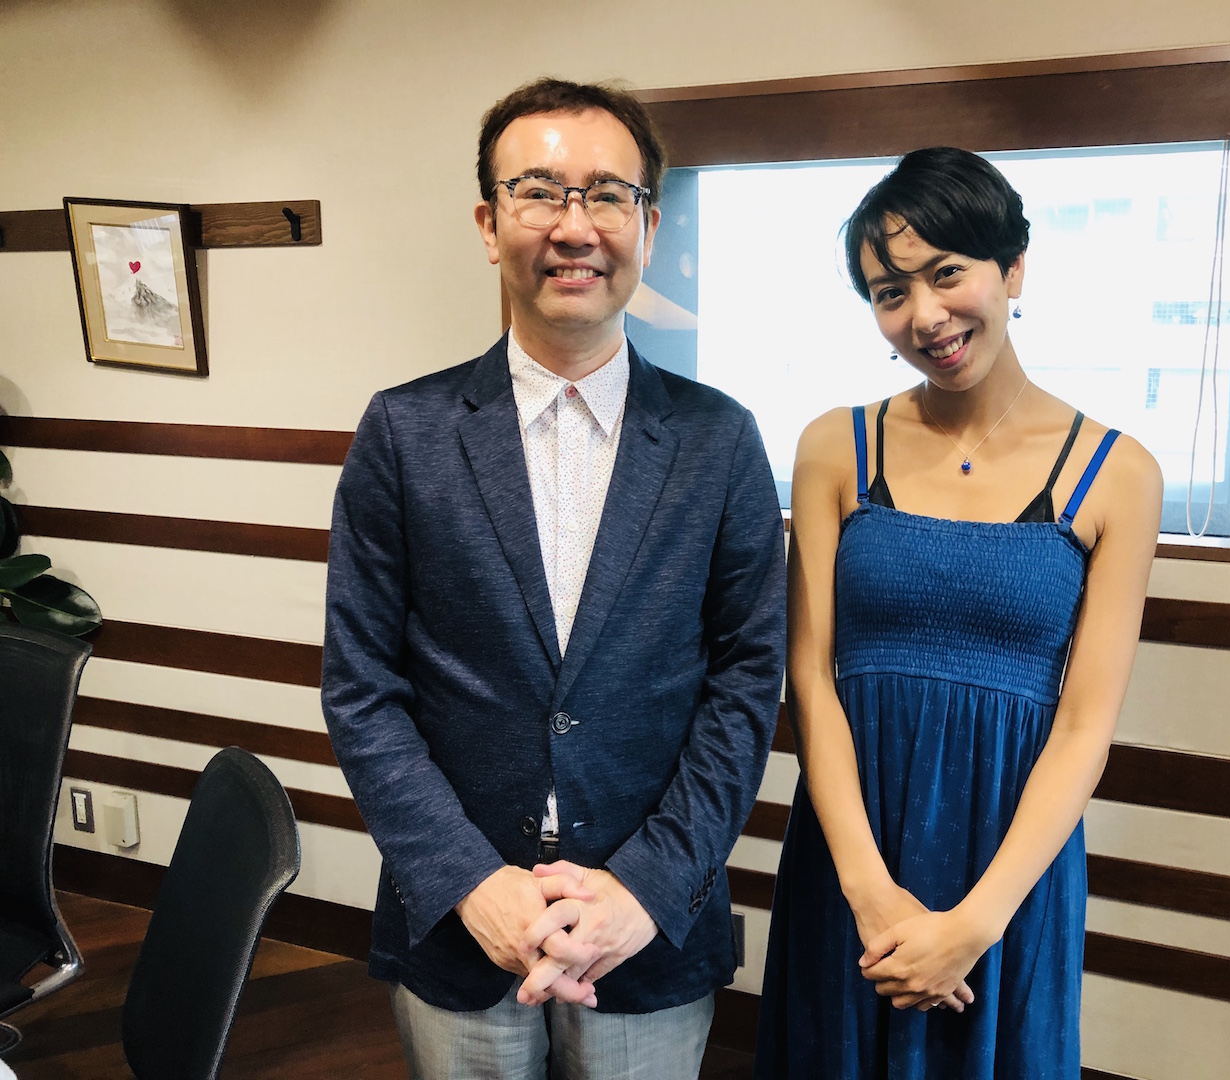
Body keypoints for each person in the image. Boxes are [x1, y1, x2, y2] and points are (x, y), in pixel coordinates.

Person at [322, 78, 786, 1080]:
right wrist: (468, 881)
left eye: (608, 195)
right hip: (462, 922)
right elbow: (362, 688)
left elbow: (747, 685)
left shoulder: (719, 440)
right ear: (489, 225)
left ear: (647, 226)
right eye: (539, 193)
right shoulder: (404, 433)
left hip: (645, 926)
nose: (576, 227)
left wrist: (647, 886)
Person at [754, 147, 1162, 1079]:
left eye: (946, 273)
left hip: (1009, 869)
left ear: (1012, 268)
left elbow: (1086, 724)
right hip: (852, 849)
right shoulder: (835, 446)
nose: (925, 316)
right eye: (889, 292)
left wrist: (975, 924)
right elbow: (809, 679)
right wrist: (870, 895)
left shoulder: (1119, 473)